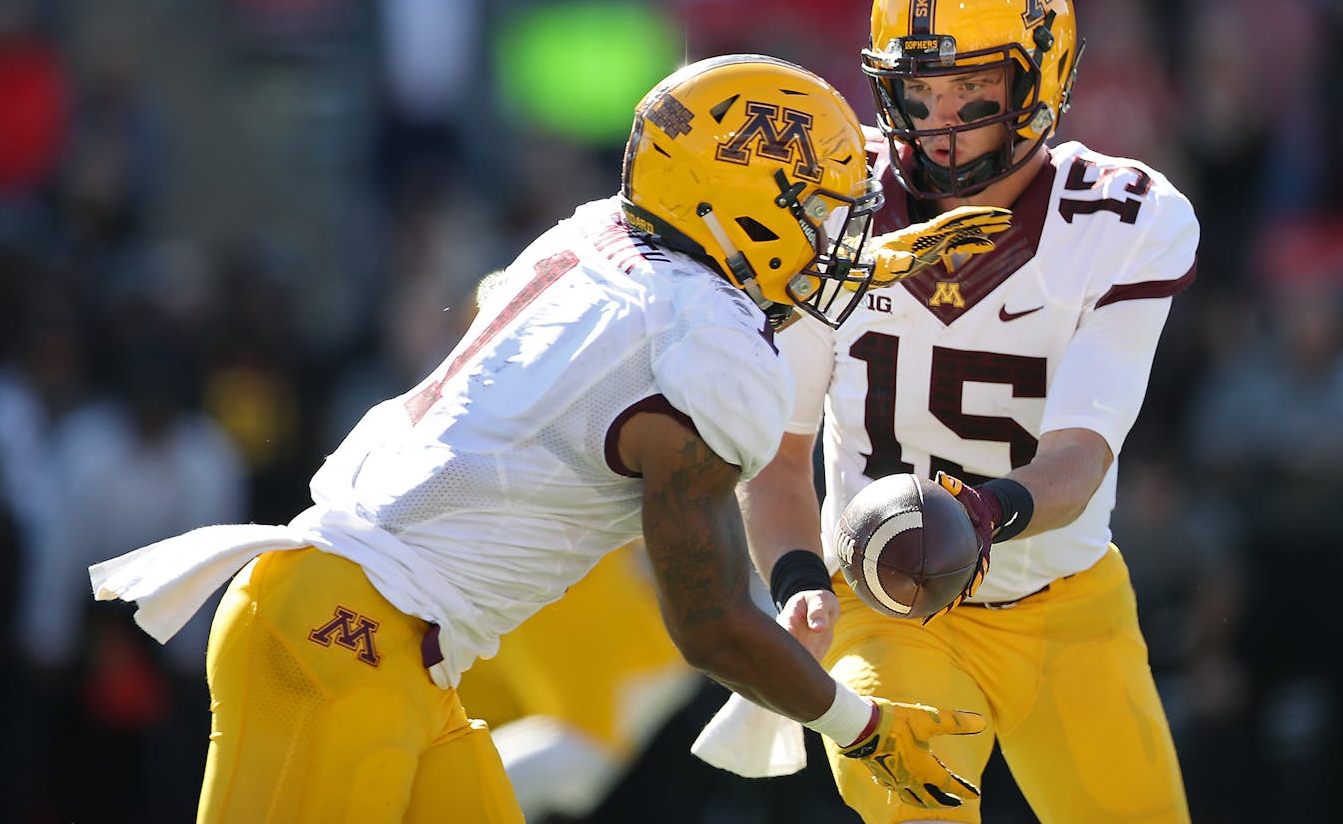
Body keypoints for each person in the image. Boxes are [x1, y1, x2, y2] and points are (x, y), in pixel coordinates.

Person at [88, 53, 1012, 822]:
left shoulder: (603, 234)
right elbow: (714, 623)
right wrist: (864, 728)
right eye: (816, 214)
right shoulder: (705, 350)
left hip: (394, 649)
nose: (836, 244)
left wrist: (879, 265)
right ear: (745, 212)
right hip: (340, 639)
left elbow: (682, 295)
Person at [736, 0, 1199, 824]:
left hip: (1067, 602)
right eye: (918, 90)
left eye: (971, 89)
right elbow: (781, 459)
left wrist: (977, 514)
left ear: (1042, 75)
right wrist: (798, 584)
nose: (938, 122)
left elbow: (1078, 454)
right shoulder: (828, 203)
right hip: (886, 604)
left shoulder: (1123, 219)